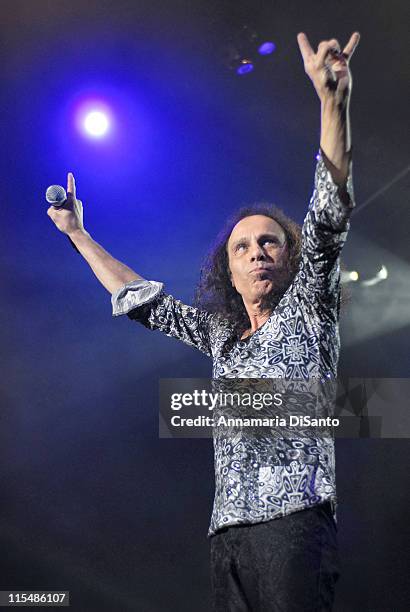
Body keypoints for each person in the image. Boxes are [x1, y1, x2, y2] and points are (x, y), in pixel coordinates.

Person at [47, 31, 360, 612]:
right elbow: (141, 300)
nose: (258, 251)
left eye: (271, 242)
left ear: (291, 257)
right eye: (243, 247)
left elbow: (328, 213)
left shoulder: (308, 309)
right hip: (227, 535)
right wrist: (78, 236)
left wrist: (332, 104)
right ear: (229, 270)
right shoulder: (220, 336)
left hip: (295, 526)